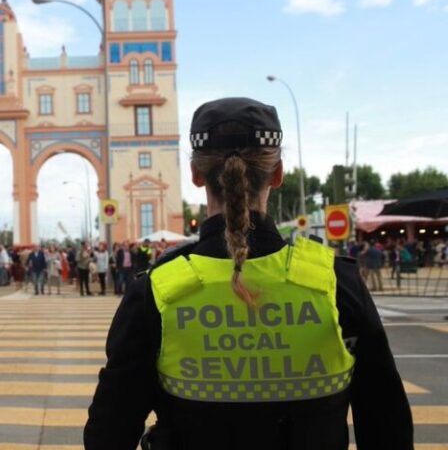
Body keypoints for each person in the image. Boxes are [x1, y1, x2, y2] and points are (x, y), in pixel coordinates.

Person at [84, 97, 413, 449]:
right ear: (278, 172)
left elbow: (108, 434)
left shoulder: (158, 291)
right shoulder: (335, 283)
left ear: (196, 174)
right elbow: (387, 427)